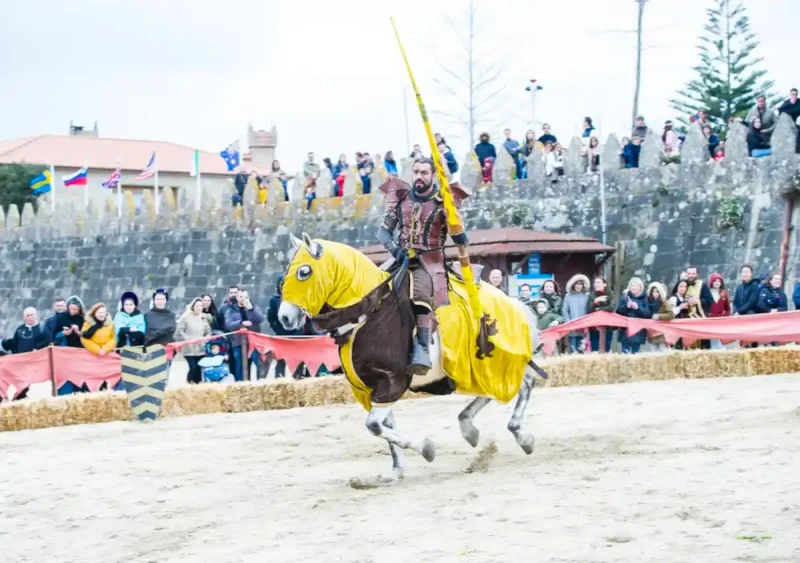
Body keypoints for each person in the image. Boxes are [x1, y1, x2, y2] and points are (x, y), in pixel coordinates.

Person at [377, 157, 470, 373]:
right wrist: (395, 250)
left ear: (433, 175)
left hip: (430, 262)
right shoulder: (400, 197)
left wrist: (454, 220)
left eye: (424, 173)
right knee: (374, 288)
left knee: (420, 295)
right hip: (399, 258)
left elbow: (462, 241)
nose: (419, 176)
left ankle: (422, 349)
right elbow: (383, 232)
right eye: (416, 172)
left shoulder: (444, 200)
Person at [267, 274, 304, 378]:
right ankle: (279, 381)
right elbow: (271, 317)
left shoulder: (296, 298)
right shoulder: (274, 300)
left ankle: (299, 379)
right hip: (281, 336)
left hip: (296, 335)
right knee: (281, 361)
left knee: (298, 360)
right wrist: (279, 330)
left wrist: (297, 329)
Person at [224, 290, 265, 381]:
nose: (243, 299)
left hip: (254, 343)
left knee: (259, 363)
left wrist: (251, 310)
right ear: (237, 298)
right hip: (238, 343)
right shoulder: (231, 310)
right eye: (241, 297)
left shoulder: (254, 307)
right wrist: (241, 323)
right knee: (240, 367)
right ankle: (242, 385)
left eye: (246, 297)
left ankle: (260, 383)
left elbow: (261, 319)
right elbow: (229, 324)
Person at [176, 297, 212, 384]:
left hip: (200, 347)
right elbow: (180, 331)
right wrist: (187, 338)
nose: (199, 308)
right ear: (193, 307)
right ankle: (189, 383)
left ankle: (198, 385)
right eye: (197, 306)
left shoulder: (204, 318)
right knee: (193, 367)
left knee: (199, 368)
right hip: (189, 348)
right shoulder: (186, 318)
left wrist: (205, 339)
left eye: (200, 306)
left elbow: (208, 331)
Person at [615, 277, 651, 354]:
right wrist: (627, 307)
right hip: (625, 330)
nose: (633, 287)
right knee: (624, 354)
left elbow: (648, 314)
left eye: (636, 285)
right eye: (632, 285)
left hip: (638, 331)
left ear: (640, 287)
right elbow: (618, 312)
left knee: (636, 354)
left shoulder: (645, 298)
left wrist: (638, 308)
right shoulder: (625, 297)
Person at [561, 275, 590, 353]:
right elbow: (565, 310)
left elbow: (590, 310)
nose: (578, 286)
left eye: (580, 284)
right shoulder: (568, 296)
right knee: (574, 348)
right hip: (572, 325)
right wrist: (569, 322)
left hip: (584, 326)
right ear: (573, 285)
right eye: (577, 284)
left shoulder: (587, 296)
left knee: (583, 347)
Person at [588, 276, 614, 352]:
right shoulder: (591, 295)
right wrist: (595, 301)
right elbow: (589, 309)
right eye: (595, 283)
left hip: (608, 326)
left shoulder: (610, 294)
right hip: (594, 327)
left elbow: (611, 307)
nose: (596, 284)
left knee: (606, 348)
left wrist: (599, 309)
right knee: (595, 348)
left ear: (604, 284)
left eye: (599, 282)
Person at [646, 282, 674, 352]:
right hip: (651, 333)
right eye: (653, 291)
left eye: (657, 291)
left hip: (662, 334)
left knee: (663, 353)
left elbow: (671, 315)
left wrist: (659, 316)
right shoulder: (648, 302)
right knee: (653, 354)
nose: (655, 293)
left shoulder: (665, 302)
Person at [707, 273, 731, 349]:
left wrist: (725, 318)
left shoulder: (724, 294)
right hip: (709, 321)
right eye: (715, 281)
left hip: (721, 321)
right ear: (711, 282)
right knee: (711, 341)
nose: (717, 283)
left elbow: (727, 309)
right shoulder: (707, 293)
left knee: (721, 342)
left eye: (719, 281)